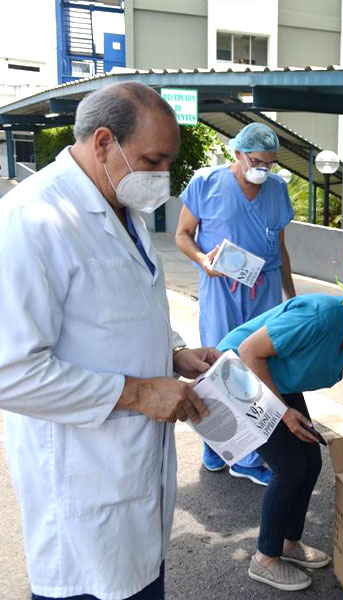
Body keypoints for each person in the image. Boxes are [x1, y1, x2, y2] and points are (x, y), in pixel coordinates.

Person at [0, 82, 218, 600]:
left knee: (140, 580)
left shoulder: (127, 211)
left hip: (136, 474)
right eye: (153, 159)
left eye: (169, 162)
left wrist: (172, 354)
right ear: (103, 142)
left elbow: (119, 316)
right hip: (84, 479)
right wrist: (142, 392)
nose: (162, 176)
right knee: (94, 586)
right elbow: (10, 372)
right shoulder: (33, 218)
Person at [215, 265, 343, 591]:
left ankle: (287, 543)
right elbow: (249, 352)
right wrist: (282, 413)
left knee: (312, 461)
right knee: (289, 466)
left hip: (279, 380)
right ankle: (264, 559)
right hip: (239, 374)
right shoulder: (319, 317)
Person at [176, 122, 296, 485]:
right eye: (257, 160)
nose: (264, 168)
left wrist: (290, 296)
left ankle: (247, 453)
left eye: (270, 163)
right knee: (219, 363)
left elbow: (280, 246)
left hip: (265, 286)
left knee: (256, 366)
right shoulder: (206, 183)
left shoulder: (276, 189)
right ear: (238, 153)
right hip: (222, 287)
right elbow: (182, 235)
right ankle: (220, 449)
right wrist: (202, 260)